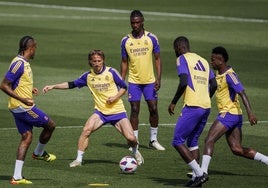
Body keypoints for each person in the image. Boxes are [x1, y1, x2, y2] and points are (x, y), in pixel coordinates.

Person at [42, 49, 144, 167]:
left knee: (131, 138)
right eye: (94, 61)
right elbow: (71, 84)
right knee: (86, 130)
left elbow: (124, 87)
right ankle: (78, 160)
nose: (97, 63)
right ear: (90, 62)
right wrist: (53, 86)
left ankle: (136, 152)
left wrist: (115, 97)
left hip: (117, 111)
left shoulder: (111, 72)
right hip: (100, 112)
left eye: (99, 61)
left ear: (103, 61)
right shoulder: (88, 76)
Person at [201, 46, 268, 181]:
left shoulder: (230, 75)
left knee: (209, 140)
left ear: (221, 60)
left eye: (213, 60)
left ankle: (202, 173)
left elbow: (242, 92)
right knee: (236, 149)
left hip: (229, 114)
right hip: (234, 116)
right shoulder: (218, 75)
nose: (211, 62)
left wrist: (250, 114)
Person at [0, 36, 56, 185]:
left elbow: (18, 83)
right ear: (30, 48)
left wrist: (29, 90)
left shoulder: (24, 63)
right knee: (50, 125)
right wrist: (23, 99)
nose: (35, 50)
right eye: (35, 48)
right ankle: (38, 153)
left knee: (27, 137)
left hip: (17, 106)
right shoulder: (19, 64)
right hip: (23, 107)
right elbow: (4, 85)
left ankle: (17, 177)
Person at [168, 36, 217, 187]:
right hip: (206, 106)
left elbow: (183, 81)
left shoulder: (182, 59)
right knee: (193, 141)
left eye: (174, 49)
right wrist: (205, 98)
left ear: (178, 48)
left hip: (192, 106)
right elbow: (214, 84)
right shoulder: (203, 60)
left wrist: (173, 102)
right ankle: (197, 178)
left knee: (177, 140)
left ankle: (201, 174)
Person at [120, 10, 165, 151]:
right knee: (134, 109)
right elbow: (124, 62)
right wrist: (121, 81)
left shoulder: (152, 38)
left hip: (150, 81)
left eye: (137, 22)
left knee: (153, 108)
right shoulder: (125, 41)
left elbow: (157, 59)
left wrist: (159, 78)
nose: (135, 25)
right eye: (133, 23)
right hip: (134, 81)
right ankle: (135, 141)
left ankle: (153, 140)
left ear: (142, 22)